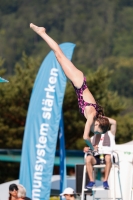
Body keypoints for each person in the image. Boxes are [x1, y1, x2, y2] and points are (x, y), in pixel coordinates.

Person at [30, 23, 110, 150]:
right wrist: (92, 147)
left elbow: (99, 132)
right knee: (59, 54)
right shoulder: (91, 115)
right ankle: (42, 32)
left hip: (78, 82)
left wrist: (95, 143)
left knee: (59, 56)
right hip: (79, 82)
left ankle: (43, 33)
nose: (94, 132)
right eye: (96, 130)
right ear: (97, 123)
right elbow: (85, 137)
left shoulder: (98, 119)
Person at [84, 117, 117, 190]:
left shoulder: (110, 133)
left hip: (108, 156)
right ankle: (91, 181)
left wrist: (99, 117)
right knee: (88, 158)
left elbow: (114, 122)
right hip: (97, 157)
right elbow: (90, 147)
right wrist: (87, 148)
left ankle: (105, 181)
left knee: (108, 157)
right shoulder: (94, 136)